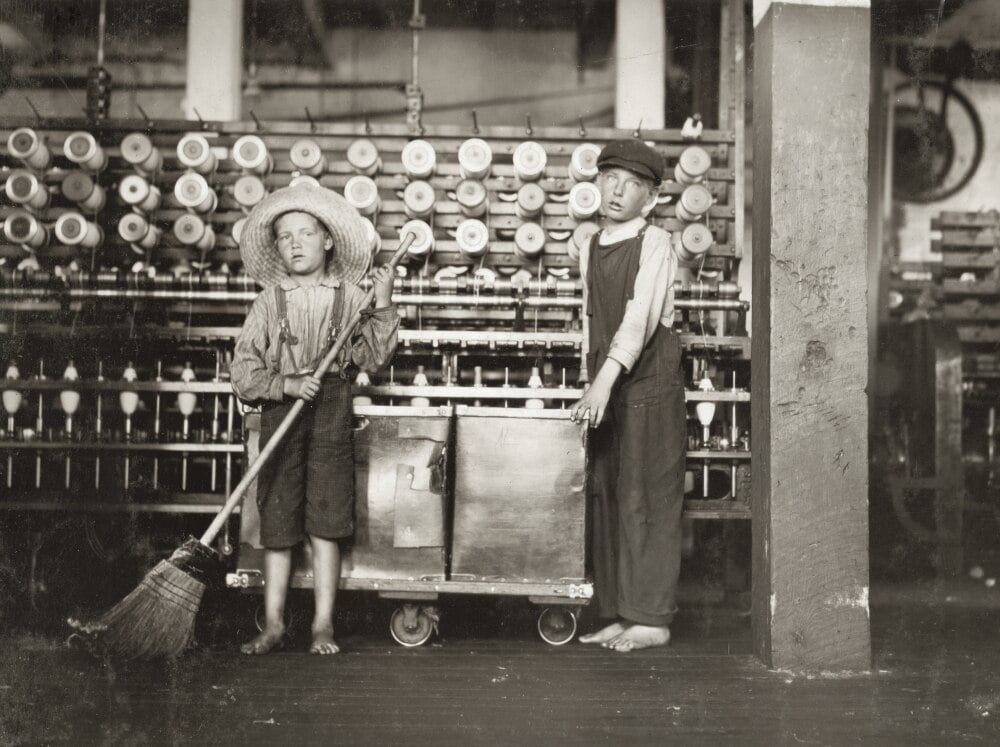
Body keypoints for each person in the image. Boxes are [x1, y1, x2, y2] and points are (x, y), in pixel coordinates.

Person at [231, 184, 398, 655]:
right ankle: (274, 623)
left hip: (332, 411)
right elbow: (243, 372)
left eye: (306, 233)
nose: (296, 243)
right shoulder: (269, 302)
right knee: (278, 523)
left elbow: (375, 357)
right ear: (275, 248)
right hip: (282, 414)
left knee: (326, 521)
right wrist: (283, 385)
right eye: (285, 237)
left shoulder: (351, 297)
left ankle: (323, 625)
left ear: (328, 241)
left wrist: (382, 302)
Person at [570, 139, 684, 653]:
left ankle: (652, 619)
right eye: (610, 178)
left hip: (648, 387)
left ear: (652, 198)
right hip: (609, 386)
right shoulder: (591, 244)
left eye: (633, 184)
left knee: (647, 498)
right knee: (608, 497)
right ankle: (621, 612)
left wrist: (602, 382)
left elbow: (638, 321)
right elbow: (591, 322)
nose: (617, 190)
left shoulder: (656, 243)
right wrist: (589, 378)